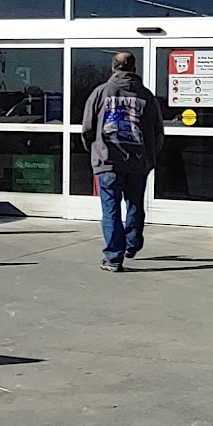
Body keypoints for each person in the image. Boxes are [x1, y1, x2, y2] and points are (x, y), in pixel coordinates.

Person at [79, 51, 165, 272]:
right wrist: (149, 157)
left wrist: (95, 151)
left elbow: (87, 128)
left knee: (111, 209)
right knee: (135, 204)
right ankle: (131, 244)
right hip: (138, 161)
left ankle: (113, 257)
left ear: (113, 67)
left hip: (108, 160)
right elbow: (158, 132)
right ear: (134, 68)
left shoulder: (101, 93)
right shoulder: (146, 96)